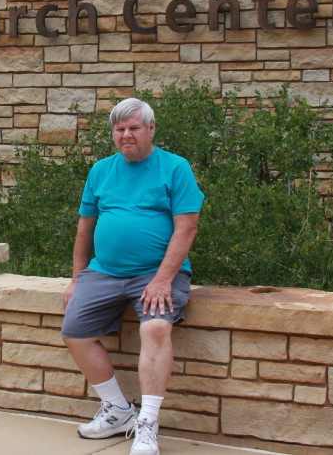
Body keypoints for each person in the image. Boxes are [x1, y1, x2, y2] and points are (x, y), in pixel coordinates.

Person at [61, 97, 204, 455]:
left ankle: (148, 423)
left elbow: (186, 228)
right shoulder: (100, 171)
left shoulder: (175, 168)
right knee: (75, 331)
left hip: (157, 274)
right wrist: (78, 276)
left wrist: (161, 279)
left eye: (134, 128)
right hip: (104, 272)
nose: (126, 135)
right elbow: (85, 227)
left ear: (151, 130)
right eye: (120, 129)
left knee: (155, 327)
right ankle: (118, 411)